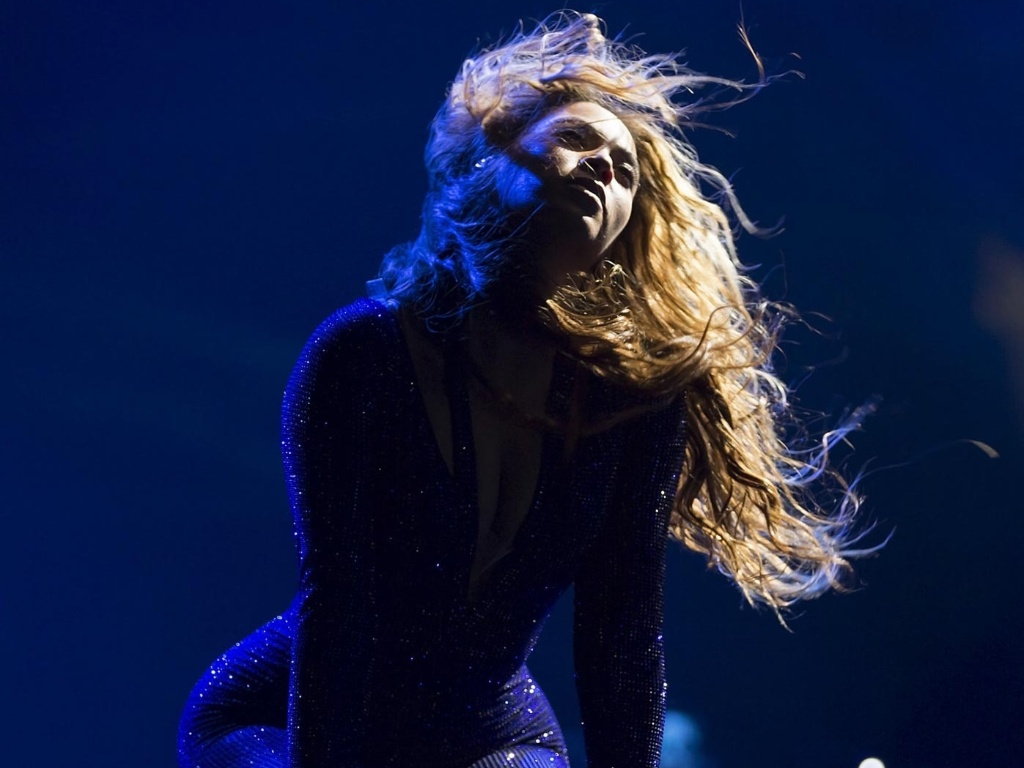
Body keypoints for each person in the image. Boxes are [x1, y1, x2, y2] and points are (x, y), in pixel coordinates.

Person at [178, 12, 869, 768]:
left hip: (493, 740)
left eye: (627, 169)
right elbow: (339, 608)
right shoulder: (361, 354)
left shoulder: (636, 404)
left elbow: (622, 635)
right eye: (579, 138)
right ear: (486, 157)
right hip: (280, 722)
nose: (608, 166)